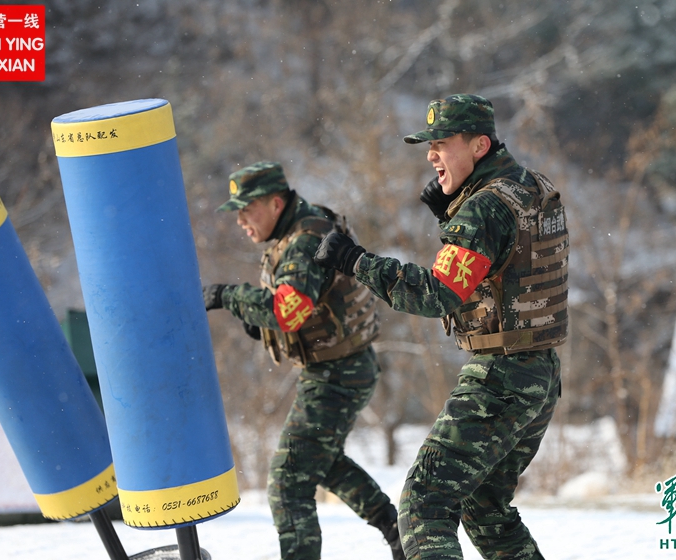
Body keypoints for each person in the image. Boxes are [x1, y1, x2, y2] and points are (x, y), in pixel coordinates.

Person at [314, 94, 568, 560]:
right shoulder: (530, 186)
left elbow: (436, 294)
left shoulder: (483, 210)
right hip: (541, 374)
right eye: (428, 144)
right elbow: (508, 264)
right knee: (485, 507)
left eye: (442, 142)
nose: (431, 154)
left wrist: (356, 261)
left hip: (501, 376)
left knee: (423, 505)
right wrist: (452, 212)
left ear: (479, 145)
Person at [202, 161, 404, 560]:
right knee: (321, 462)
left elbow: (289, 310)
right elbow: (301, 309)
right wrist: (257, 322)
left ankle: (396, 532)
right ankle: (399, 531)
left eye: (247, 210)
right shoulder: (294, 233)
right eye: (237, 212)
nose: (241, 221)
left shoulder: (304, 239)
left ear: (276, 203)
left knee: (288, 480)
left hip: (337, 374)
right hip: (338, 368)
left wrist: (229, 298)